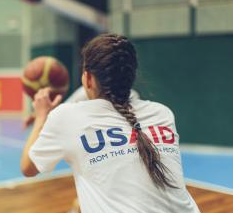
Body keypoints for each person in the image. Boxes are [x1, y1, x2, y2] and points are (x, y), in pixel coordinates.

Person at [20, 33, 200, 213]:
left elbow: (28, 168)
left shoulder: (66, 118)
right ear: (132, 74)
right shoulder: (162, 113)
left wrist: (42, 116)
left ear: (88, 79)